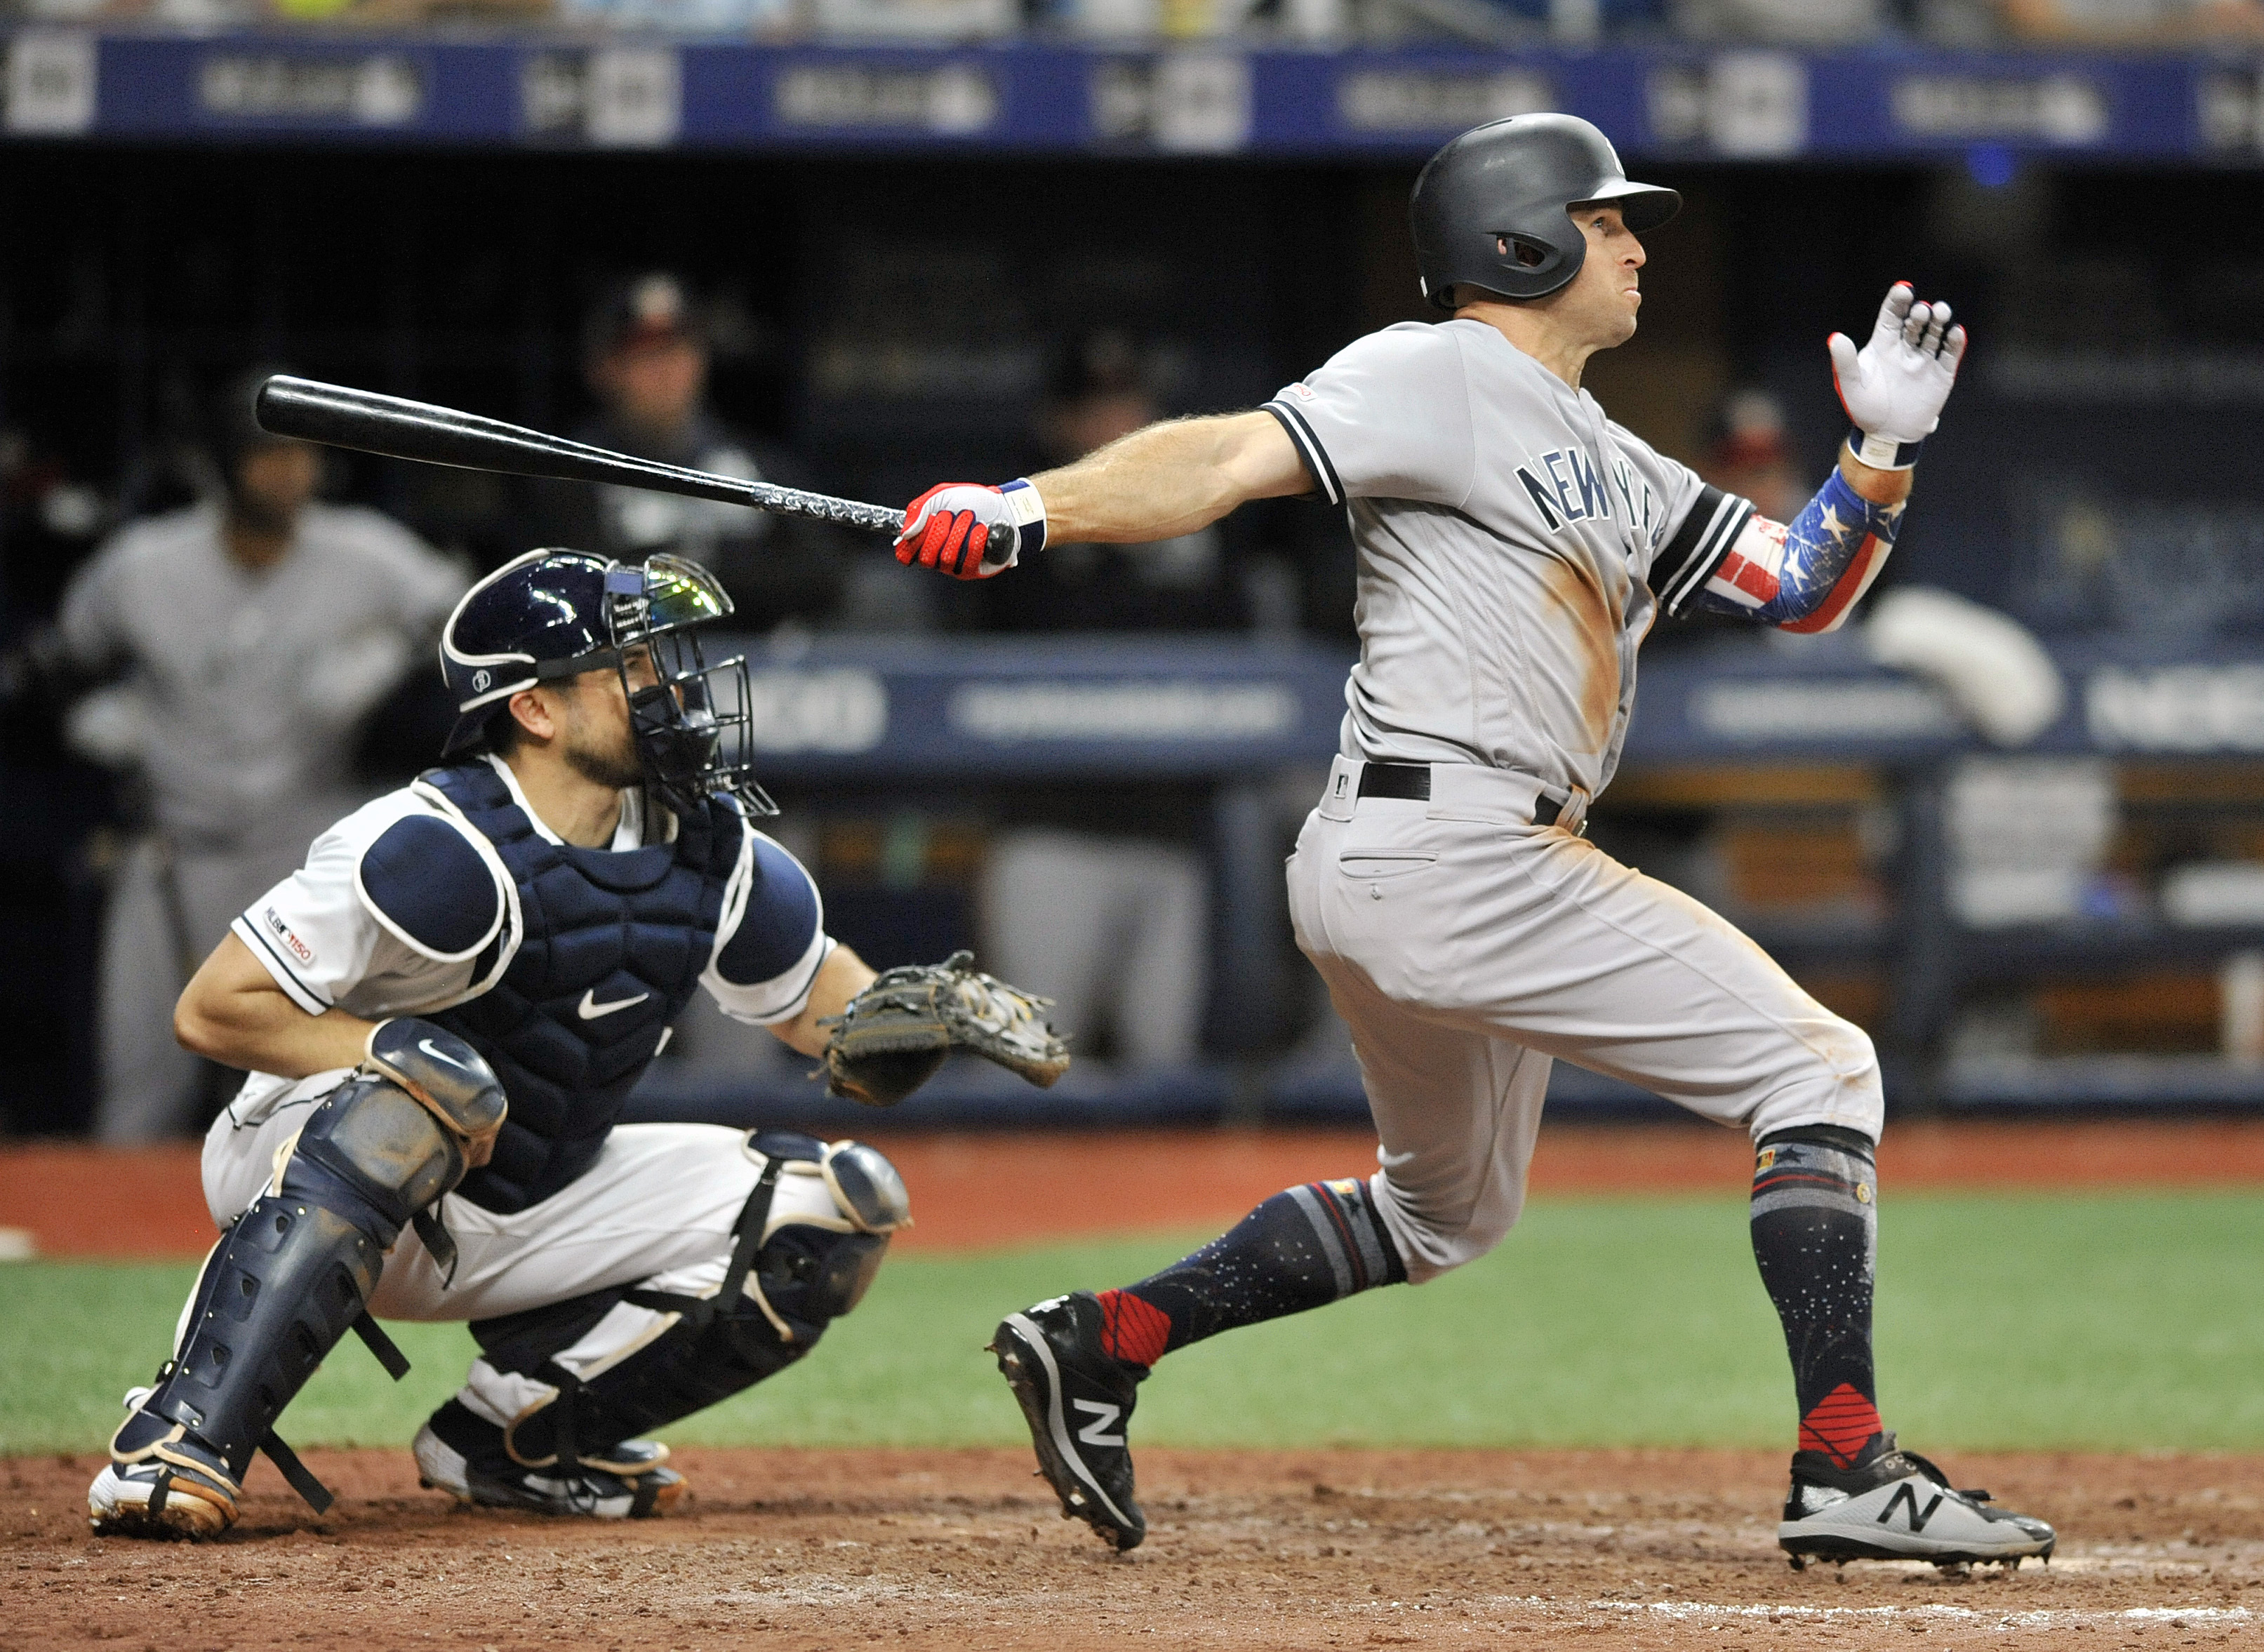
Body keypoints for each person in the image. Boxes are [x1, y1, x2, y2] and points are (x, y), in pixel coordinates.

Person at [891, 114, 2058, 1567]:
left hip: (1420, 857)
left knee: (1442, 1212)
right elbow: (1225, 459)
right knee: (1820, 1066)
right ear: (1523, 240)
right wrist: (1027, 507)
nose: (1635, 245)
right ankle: (1843, 1466)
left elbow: (1802, 586)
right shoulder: (1430, 369)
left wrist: (1879, 443)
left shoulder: (1611, 454)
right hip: (1456, 846)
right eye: (1608, 219)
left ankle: (1101, 1338)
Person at [86, 549, 954, 1538]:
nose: (669, 686)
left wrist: (931, 1017)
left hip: (534, 1186)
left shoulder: (712, 850)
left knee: (833, 1211)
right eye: (632, 666)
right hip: (321, 1167)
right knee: (405, 1105)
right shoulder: (435, 845)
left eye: (664, 660)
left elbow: (842, 1031)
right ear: (536, 709)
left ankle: (518, 1436)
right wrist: (386, 1047)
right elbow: (213, 1008)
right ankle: (180, 1434)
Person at [59, 371, 466, 1145]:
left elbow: (472, 623)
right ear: (222, 463)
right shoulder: (144, 564)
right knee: (140, 1090)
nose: (289, 473)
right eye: (267, 455)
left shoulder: (367, 555)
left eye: (302, 455)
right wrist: (92, 720)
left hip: (310, 851)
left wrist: (391, 667)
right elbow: (57, 665)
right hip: (177, 855)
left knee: (337, 1083)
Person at [527, 272, 848, 630]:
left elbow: (822, 572)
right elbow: (580, 582)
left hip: (757, 666)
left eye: (677, 350)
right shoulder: (573, 472)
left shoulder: (755, 463)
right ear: (605, 369)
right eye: (645, 355)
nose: (666, 371)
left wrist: (690, 578)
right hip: (634, 665)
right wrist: (692, 583)